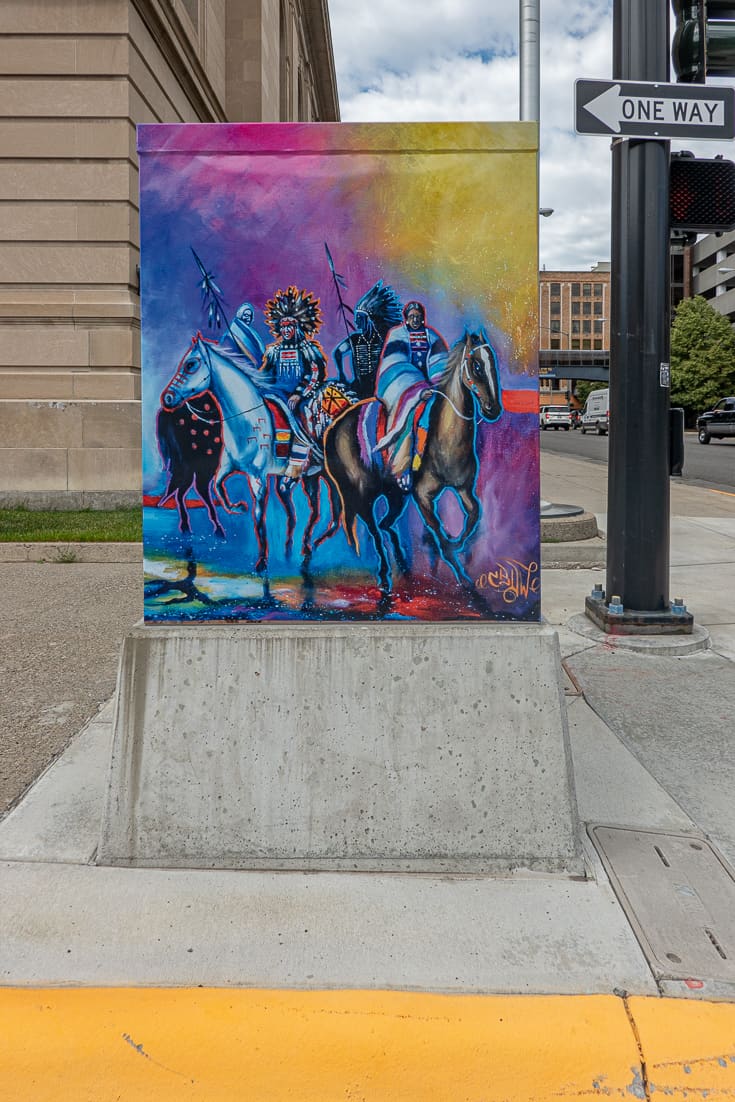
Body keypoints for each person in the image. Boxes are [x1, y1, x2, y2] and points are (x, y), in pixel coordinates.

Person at [374, 300, 448, 490]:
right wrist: (416, 389)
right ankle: (403, 468)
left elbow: (440, 361)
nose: (415, 319)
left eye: (418, 316)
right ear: (406, 318)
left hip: (430, 386)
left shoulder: (431, 336)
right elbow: (395, 364)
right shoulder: (397, 335)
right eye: (412, 316)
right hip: (405, 388)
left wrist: (437, 382)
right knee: (407, 419)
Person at [261, 287, 328, 481]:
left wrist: (299, 394)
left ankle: (301, 462)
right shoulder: (274, 351)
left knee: (303, 420)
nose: (286, 330)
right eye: (283, 327)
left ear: (297, 327)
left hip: (302, 398)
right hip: (277, 396)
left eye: (290, 326)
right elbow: (266, 375)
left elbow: (315, 373)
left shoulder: (307, 349)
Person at [331, 280, 402, 400]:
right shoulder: (355, 339)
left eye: (359, 317)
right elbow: (338, 352)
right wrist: (342, 375)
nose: (356, 321)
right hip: (359, 387)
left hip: (380, 387)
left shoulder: (384, 339)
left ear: (368, 319)